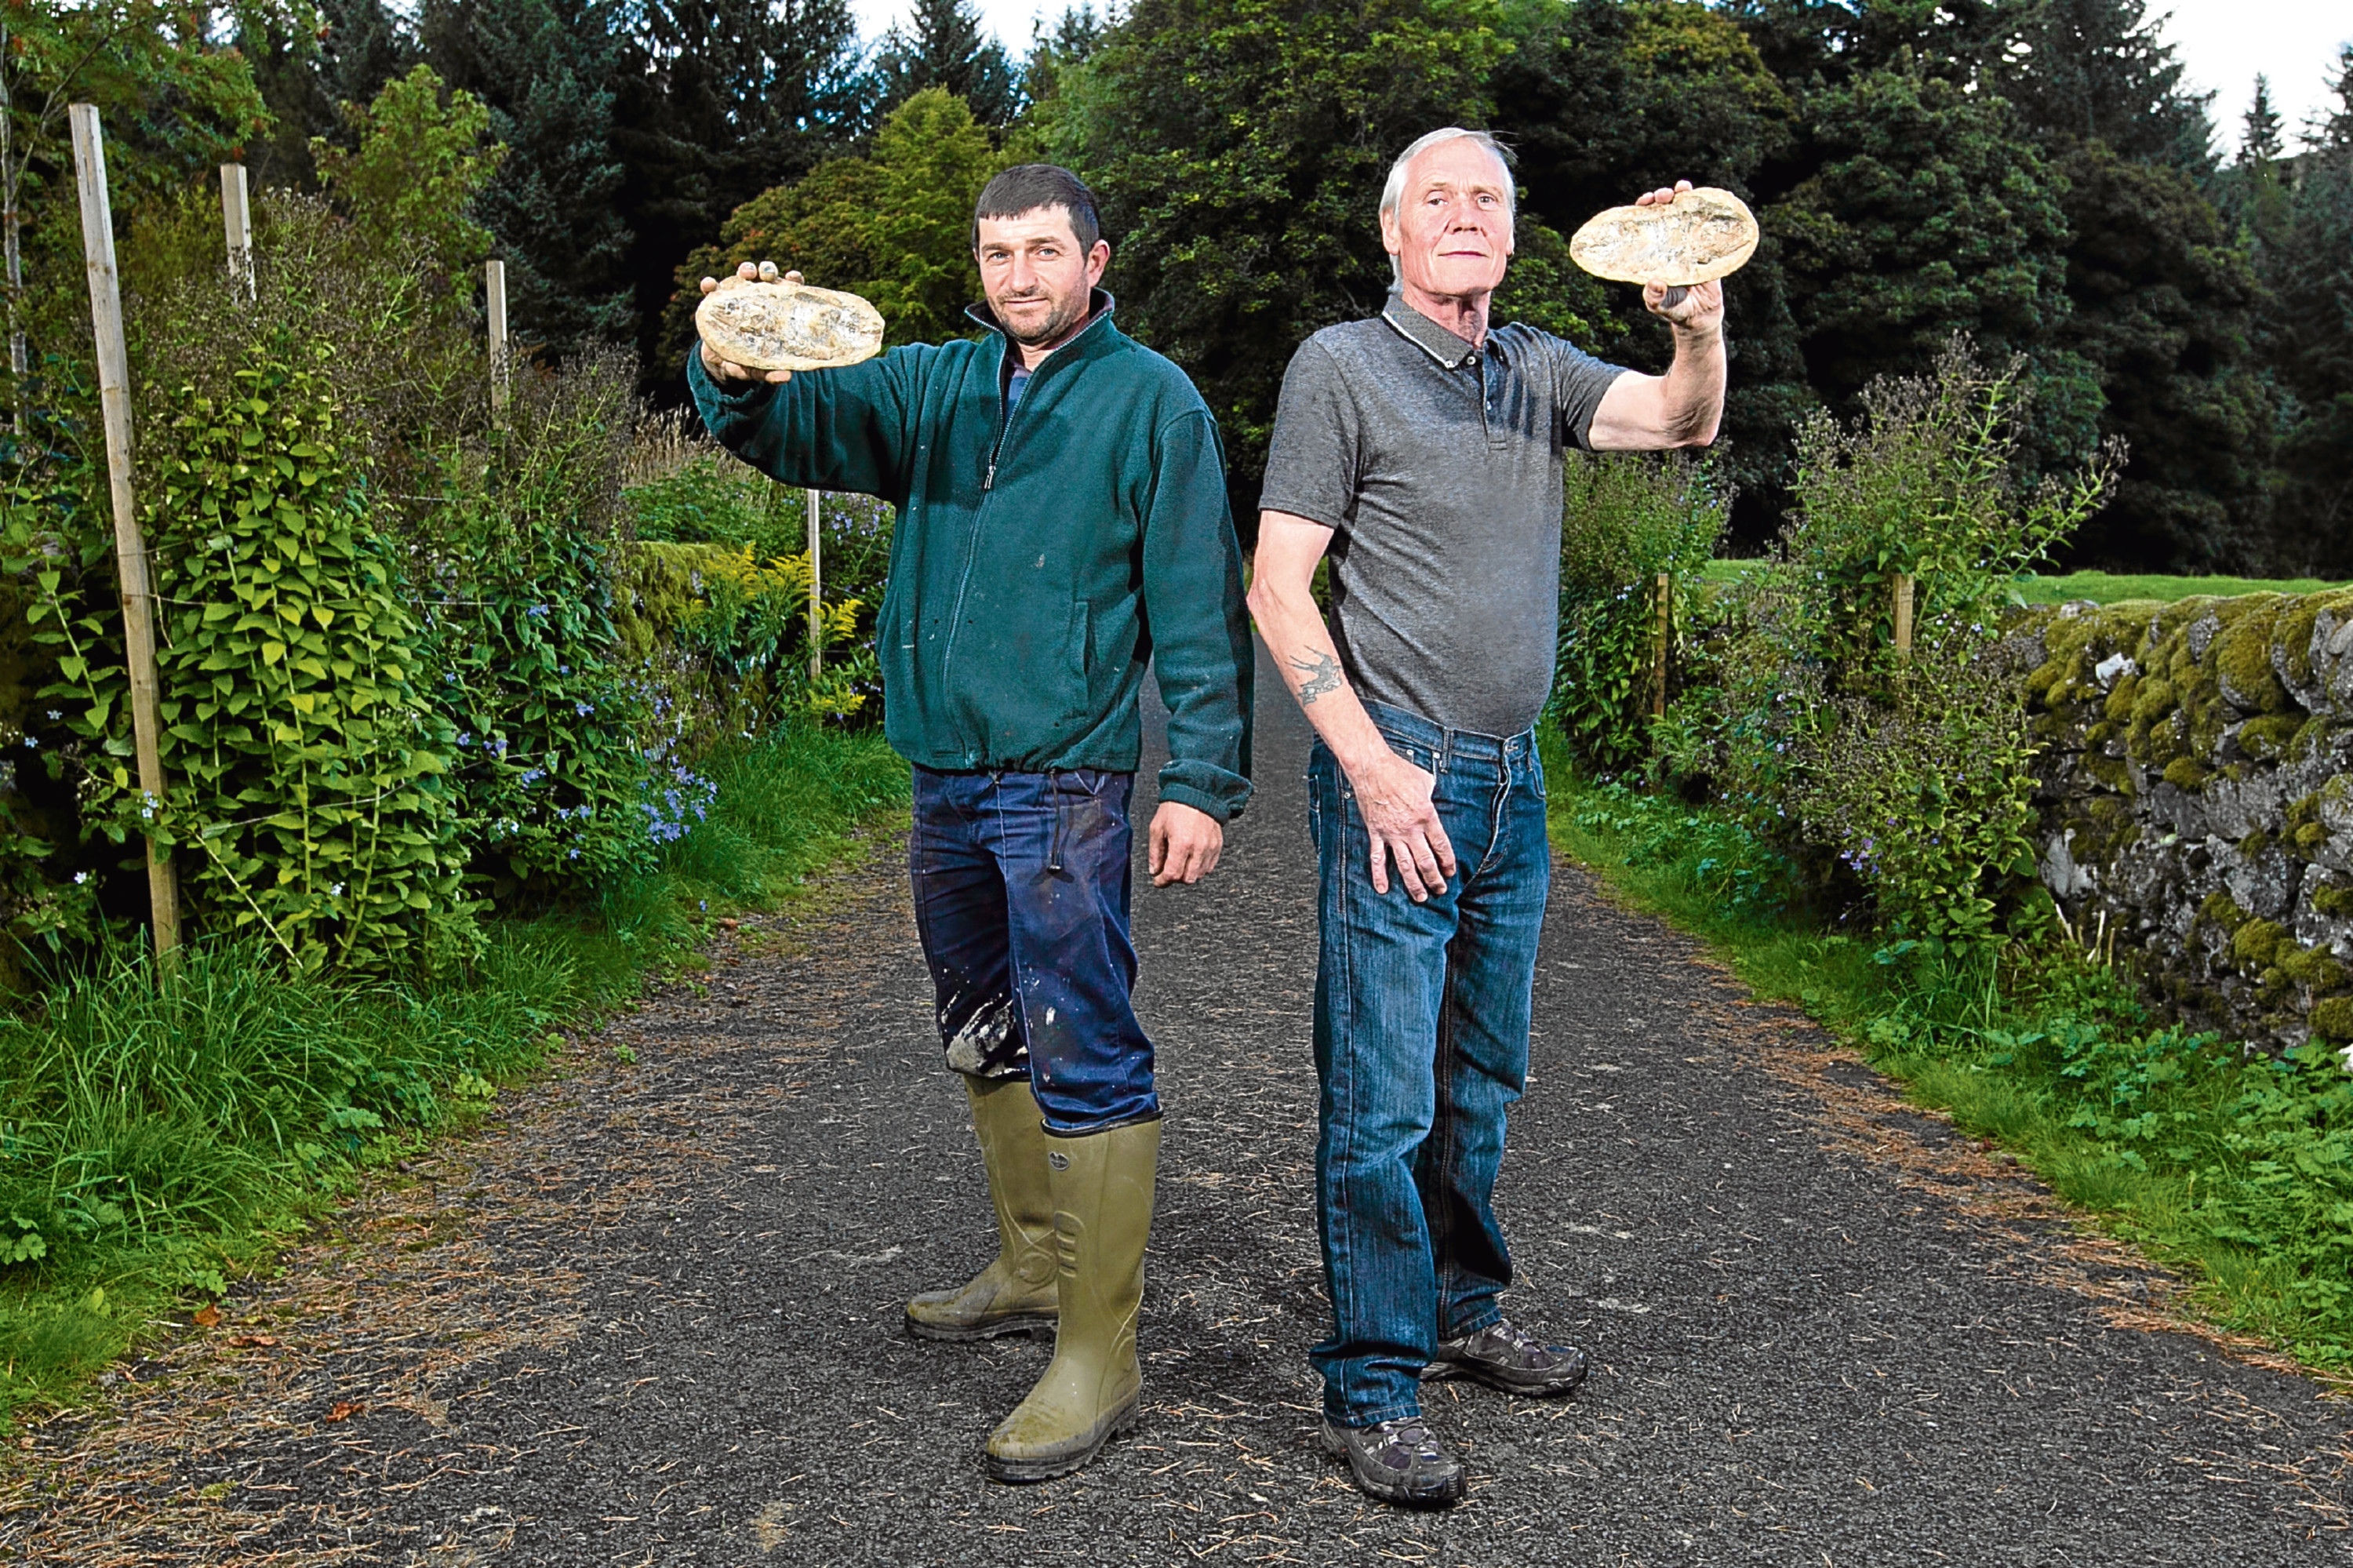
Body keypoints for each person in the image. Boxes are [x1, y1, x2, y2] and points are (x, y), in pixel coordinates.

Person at [690, 164, 1255, 1483]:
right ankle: (1030, 1264)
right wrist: (737, 351)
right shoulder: (935, 386)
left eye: (1044, 252)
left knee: (1086, 1044)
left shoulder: (1152, 403)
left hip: (1065, 781)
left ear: (1096, 261)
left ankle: (1099, 1352)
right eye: (998, 253)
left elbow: (1198, 604)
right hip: (943, 771)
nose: (1019, 276)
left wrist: (1203, 779)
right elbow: (783, 430)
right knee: (981, 1023)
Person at [1246, 129, 1727, 1507]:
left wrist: (1699, 316)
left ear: (1515, 240)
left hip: (1513, 779)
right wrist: (1371, 771)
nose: (1465, 217)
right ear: (1391, 234)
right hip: (1398, 776)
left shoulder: (1536, 369)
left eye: (1489, 202)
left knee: (1482, 1074)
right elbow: (1279, 589)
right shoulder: (1339, 368)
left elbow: (1683, 419)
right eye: (1437, 199)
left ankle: (1462, 1309)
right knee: (1383, 1093)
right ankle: (1374, 1381)